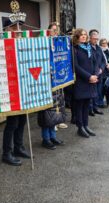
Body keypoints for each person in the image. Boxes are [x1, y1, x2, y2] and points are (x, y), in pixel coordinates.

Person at [1, 19, 30, 166]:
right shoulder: (1, 43)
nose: (18, 29)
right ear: (7, 29)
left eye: (20, 26)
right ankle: (7, 152)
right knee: (12, 123)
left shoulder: (22, 42)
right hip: (10, 88)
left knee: (22, 121)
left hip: (22, 87)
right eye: (14, 26)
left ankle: (19, 147)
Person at [38, 22, 65, 150]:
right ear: (48, 31)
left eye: (57, 30)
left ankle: (53, 136)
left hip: (57, 82)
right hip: (45, 81)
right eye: (53, 30)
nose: (55, 32)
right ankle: (46, 138)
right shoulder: (42, 44)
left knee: (55, 110)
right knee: (46, 112)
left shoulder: (59, 44)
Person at [72, 28, 98, 138]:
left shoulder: (89, 48)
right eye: (81, 35)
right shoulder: (74, 49)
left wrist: (96, 75)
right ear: (77, 37)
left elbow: (95, 62)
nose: (83, 36)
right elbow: (76, 67)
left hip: (91, 80)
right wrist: (89, 76)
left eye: (85, 35)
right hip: (81, 81)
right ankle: (80, 127)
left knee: (87, 104)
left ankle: (86, 125)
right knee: (80, 105)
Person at [88, 29, 105, 116]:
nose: (96, 40)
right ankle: (90, 109)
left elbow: (103, 60)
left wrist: (101, 68)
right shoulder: (87, 47)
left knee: (98, 92)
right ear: (90, 38)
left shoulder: (99, 48)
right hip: (92, 74)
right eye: (94, 38)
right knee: (91, 93)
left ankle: (95, 107)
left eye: (97, 39)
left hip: (99, 74)